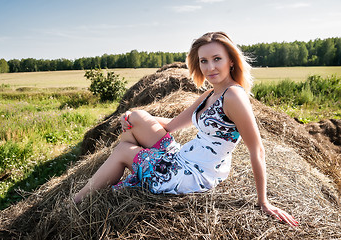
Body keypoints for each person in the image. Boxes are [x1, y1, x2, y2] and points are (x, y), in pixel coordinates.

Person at [74, 31, 298, 227]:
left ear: (231, 60)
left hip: (195, 173)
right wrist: (131, 117)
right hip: (184, 156)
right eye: (204, 61)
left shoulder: (234, 96)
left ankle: (76, 200)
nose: (210, 67)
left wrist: (263, 201)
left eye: (217, 59)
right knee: (136, 118)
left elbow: (257, 149)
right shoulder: (211, 93)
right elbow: (171, 125)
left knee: (123, 150)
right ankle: (126, 173)